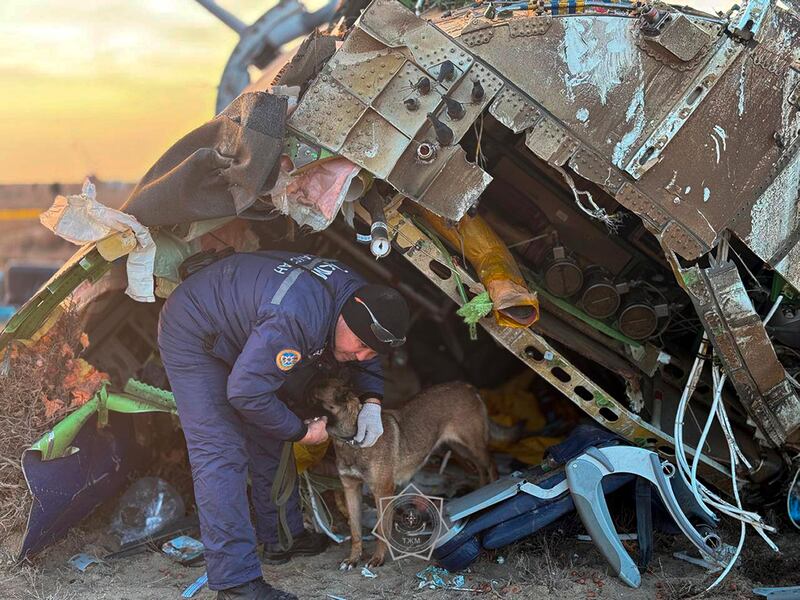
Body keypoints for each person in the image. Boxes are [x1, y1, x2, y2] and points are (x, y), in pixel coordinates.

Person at [158, 251, 410, 600]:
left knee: (269, 427)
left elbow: (365, 350)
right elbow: (245, 393)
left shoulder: (357, 296)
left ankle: (282, 537)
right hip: (195, 329)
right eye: (361, 346)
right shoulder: (295, 320)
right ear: (345, 318)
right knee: (220, 451)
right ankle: (236, 584)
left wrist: (372, 400)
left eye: (373, 352)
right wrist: (302, 433)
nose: (363, 357)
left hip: (244, 323)